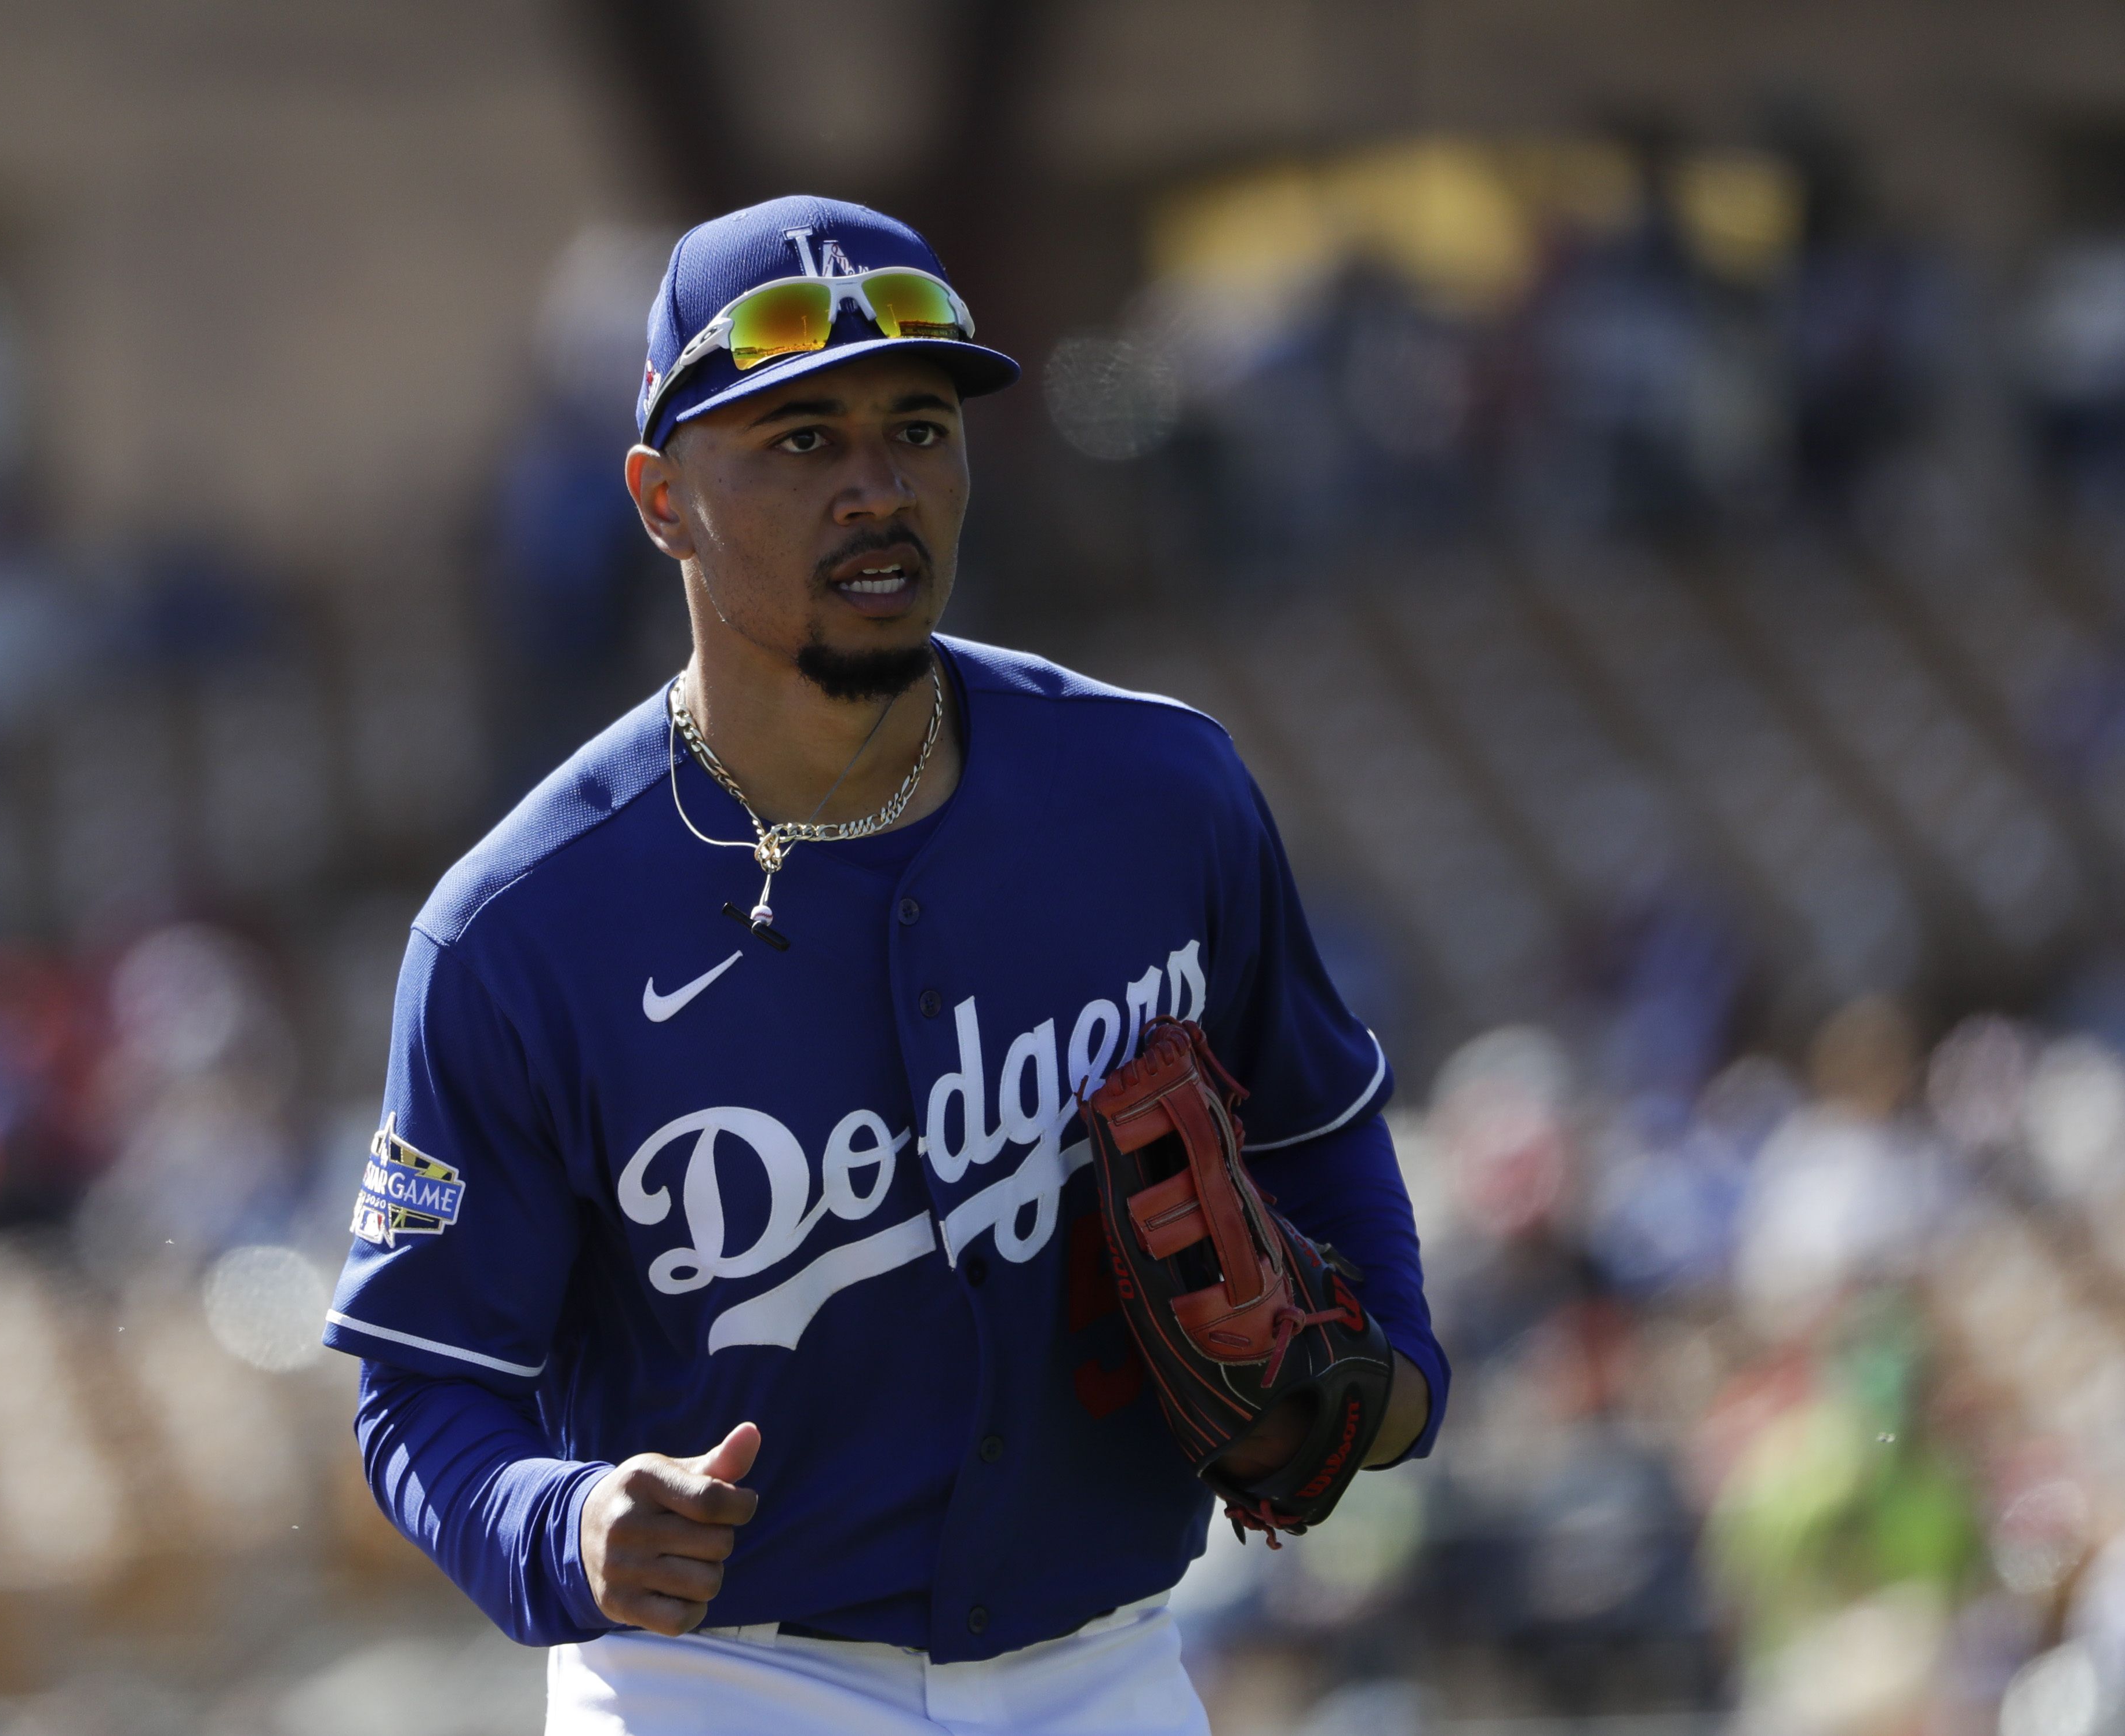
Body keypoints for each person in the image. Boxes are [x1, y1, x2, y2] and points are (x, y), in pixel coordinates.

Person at [324, 195, 1450, 1735]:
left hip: (1107, 1664)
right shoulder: (517, 928)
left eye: (918, 430)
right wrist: (560, 1520)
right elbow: (419, 1390)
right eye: (800, 442)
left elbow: (1318, 1133)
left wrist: (1395, 1371)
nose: (877, 487)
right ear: (660, 498)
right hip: (716, 1678)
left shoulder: (1158, 795)